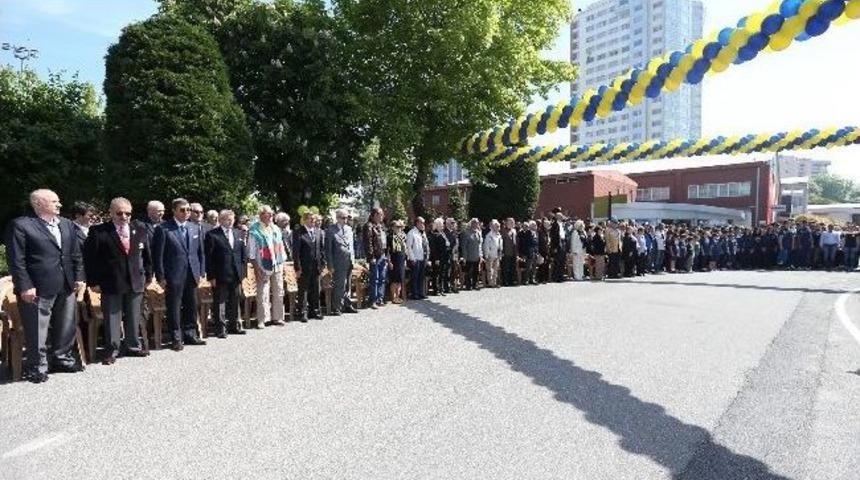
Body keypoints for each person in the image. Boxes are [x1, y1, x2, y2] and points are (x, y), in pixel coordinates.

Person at [5, 189, 86, 382]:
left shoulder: (66, 224)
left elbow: (76, 255)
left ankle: (62, 359)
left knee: (66, 324)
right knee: (37, 329)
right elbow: (17, 260)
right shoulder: (21, 225)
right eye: (54, 201)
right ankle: (37, 367)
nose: (59, 205)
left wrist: (79, 276)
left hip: (66, 284)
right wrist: (25, 285)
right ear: (39, 204)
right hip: (37, 288)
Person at [84, 197, 152, 363]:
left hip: (135, 281)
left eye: (127, 213)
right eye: (119, 213)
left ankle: (132, 346)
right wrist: (93, 282)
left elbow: (147, 256)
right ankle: (112, 350)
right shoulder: (99, 231)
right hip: (111, 282)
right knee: (112, 318)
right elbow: (89, 259)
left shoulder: (140, 229)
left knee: (133, 316)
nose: (124, 216)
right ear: (111, 213)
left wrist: (149, 276)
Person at [153, 198, 207, 350]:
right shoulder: (163, 229)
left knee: (191, 305)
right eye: (182, 210)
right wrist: (161, 277)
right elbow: (158, 256)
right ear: (174, 211)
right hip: (173, 275)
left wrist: (201, 272)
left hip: (192, 273)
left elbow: (200, 252)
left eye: (188, 210)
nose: (186, 213)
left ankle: (191, 335)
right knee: (174, 307)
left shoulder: (195, 228)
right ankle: (176, 338)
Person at [204, 209, 247, 337]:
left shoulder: (238, 233)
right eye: (227, 219)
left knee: (235, 300)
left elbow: (242, 254)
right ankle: (221, 329)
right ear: (221, 220)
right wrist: (211, 276)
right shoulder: (212, 235)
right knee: (220, 302)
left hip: (236, 273)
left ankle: (234, 326)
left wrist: (243, 272)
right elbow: (209, 257)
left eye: (232, 219)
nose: (230, 221)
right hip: (220, 274)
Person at [248, 205, 287, 327]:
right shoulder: (254, 230)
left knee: (279, 290)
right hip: (262, 265)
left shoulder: (275, 228)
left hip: (277, 264)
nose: (270, 216)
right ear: (261, 215)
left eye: (271, 213)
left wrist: (283, 264)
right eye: (267, 213)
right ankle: (262, 319)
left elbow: (281, 248)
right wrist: (256, 268)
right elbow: (251, 252)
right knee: (263, 293)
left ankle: (278, 317)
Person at [294, 212, 326, 320]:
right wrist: (297, 268)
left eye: (314, 219)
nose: (313, 221)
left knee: (316, 289)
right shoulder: (299, 232)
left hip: (316, 266)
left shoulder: (318, 232)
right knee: (303, 290)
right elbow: (296, 252)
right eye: (310, 219)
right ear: (304, 220)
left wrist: (322, 263)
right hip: (304, 266)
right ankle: (302, 312)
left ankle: (315, 311)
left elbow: (321, 249)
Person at [326, 209, 358, 314]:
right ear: (337, 218)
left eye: (347, 218)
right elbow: (328, 249)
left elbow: (351, 246)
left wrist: (353, 259)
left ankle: (346, 304)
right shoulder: (331, 230)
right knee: (339, 285)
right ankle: (337, 307)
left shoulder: (349, 229)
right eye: (343, 218)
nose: (345, 220)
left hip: (348, 261)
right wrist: (330, 265)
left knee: (348, 285)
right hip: (338, 262)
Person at [363, 208, 388, 308]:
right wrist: (371, 256)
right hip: (375, 256)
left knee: (382, 278)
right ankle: (372, 300)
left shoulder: (381, 226)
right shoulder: (368, 226)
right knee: (375, 278)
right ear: (374, 215)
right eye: (380, 214)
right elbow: (368, 243)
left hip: (382, 255)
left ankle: (380, 298)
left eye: (382, 214)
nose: (382, 216)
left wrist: (386, 255)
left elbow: (383, 242)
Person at [405, 217, 430, 300]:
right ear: (417, 223)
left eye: (424, 223)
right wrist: (412, 258)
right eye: (422, 223)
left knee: (421, 277)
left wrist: (427, 257)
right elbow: (408, 247)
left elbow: (426, 246)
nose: (423, 225)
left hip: (423, 258)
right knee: (415, 277)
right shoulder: (411, 233)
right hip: (415, 258)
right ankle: (414, 293)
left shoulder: (423, 233)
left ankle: (420, 292)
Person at [388, 220, 407, 303]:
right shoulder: (389, 237)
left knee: (400, 280)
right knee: (394, 280)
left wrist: (405, 260)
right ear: (393, 228)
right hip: (393, 260)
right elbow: (387, 251)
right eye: (397, 227)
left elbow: (404, 249)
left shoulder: (402, 237)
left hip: (401, 260)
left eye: (400, 227)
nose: (399, 229)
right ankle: (393, 297)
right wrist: (389, 262)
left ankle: (398, 296)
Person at [461, 218, 483, 290]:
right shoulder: (466, 233)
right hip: (469, 256)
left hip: (477, 255)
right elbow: (464, 246)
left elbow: (480, 245)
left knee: (476, 271)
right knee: (468, 272)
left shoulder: (478, 233)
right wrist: (464, 256)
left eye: (477, 223)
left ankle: (475, 284)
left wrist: (480, 255)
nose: (476, 224)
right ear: (471, 224)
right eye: (474, 223)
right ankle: (468, 285)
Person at [428, 218, 449, 295]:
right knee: (436, 274)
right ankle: (436, 289)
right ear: (437, 225)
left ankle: (441, 289)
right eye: (441, 224)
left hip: (443, 256)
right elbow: (434, 248)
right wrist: (436, 258)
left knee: (442, 273)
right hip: (437, 257)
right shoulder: (434, 234)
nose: (443, 225)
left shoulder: (442, 233)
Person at [482, 220, 503, 288]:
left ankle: (494, 282)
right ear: (493, 227)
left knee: (496, 269)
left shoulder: (499, 235)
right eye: (496, 226)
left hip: (497, 254)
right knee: (489, 270)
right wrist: (486, 255)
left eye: (498, 226)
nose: (498, 227)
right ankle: (490, 282)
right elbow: (486, 246)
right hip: (490, 255)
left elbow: (500, 245)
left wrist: (500, 253)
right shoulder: (489, 235)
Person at [519, 220, 539, 285]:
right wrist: (525, 253)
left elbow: (537, 243)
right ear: (530, 226)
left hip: (535, 252)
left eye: (535, 225)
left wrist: (537, 252)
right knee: (528, 267)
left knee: (534, 267)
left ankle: (532, 279)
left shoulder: (536, 233)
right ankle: (526, 280)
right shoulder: (527, 233)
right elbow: (525, 244)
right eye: (534, 225)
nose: (535, 226)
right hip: (529, 252)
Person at [444, 218, 460, 293]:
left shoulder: (454, 232)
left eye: (454, 223)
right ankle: (447, 287)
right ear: (447, 224)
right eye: (452, 223)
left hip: (455, 255)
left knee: (455, 271)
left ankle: (454, 286)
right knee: (448, 271)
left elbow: (457, 244)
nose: (453, 224)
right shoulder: (445, 233)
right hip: (448, 254)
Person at [501, 218, 519, 286]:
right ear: (507, 223)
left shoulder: (514, 231)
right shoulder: (503, 231)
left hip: (513, 252)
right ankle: (505, 281)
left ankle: (511, 281)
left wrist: (517, 253)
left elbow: (516, 243)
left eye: (513, 222)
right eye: (510, 222)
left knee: (512, 267)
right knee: (506, 268)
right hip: (506, 252)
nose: (512, 223)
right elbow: (501, 242)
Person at [550, 210, 567, 282]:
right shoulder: (554, 225)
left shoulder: (562, 224)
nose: (561, 217)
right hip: (557, 244)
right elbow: (553, 236)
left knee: (562, 261)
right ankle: (555, 277)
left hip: (563, 242)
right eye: (560, 216)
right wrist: (554, 247)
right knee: (557, 261)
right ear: (557, 217)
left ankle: (561, 276)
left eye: (561, 216)